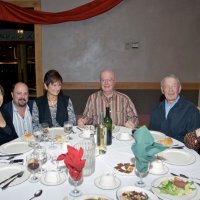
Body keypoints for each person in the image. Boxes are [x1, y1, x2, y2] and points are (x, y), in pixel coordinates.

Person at [149, 74, 200, 142]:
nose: (170, 90)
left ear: (179, 89)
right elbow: (152, 134)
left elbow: (195, 141)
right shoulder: (156, 110)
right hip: (159, 149)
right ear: (162, 90)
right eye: (167, 86)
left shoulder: (191, 110)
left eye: (174, 86)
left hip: (182, 151)